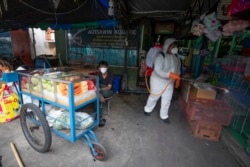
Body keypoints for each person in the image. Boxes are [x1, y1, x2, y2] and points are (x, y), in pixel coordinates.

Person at [144, 38, 181, 124]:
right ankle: (147, 109)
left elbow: (178, 68)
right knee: (154, 97)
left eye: (175, 46)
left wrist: (177, 77)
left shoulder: (176, 56)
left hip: (169, 82)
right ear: (167, 46)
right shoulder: (160, 56)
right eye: (172, 46)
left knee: (167, 99)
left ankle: (164, 116)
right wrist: (170, 75)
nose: (174, 48)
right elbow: (158, 70)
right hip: (157, 80)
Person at [96, 60, 113, 127]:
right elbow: (96, 86)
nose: (102, 68)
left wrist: (100, 89)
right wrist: (99, 94)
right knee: (96, 96)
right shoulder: (98, 75)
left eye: (104, 67)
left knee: (101, 93)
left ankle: (98, 116)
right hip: (100, 91)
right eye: (101, 67)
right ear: (99, 68)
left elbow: (109, 88)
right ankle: (99, 117)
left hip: (108, 92)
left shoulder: (110, 75)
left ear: (107, 67)